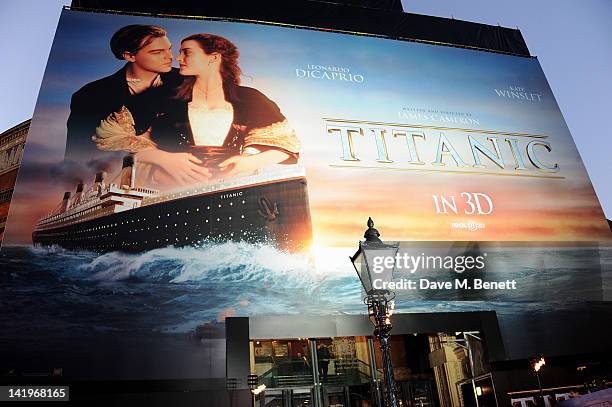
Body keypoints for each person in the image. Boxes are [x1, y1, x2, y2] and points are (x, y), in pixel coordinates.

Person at [144, 33, 301, 183]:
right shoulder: (165, 97)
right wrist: (163, 159)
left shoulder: (250, 99)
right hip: (168, 189)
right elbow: (126, 143)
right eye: (180, 53)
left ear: (213, 57)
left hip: (231, 191)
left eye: (187, 52)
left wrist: (249, 162)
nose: (178, 58)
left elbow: (286, 146)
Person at [65, 24, 182, 160]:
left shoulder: (188, 81)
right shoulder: (90, 95)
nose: (170, 57)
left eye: (169, 49)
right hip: (118, 175)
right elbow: (76, 153)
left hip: (194, 173)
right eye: (157, 52)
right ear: (130, 56)